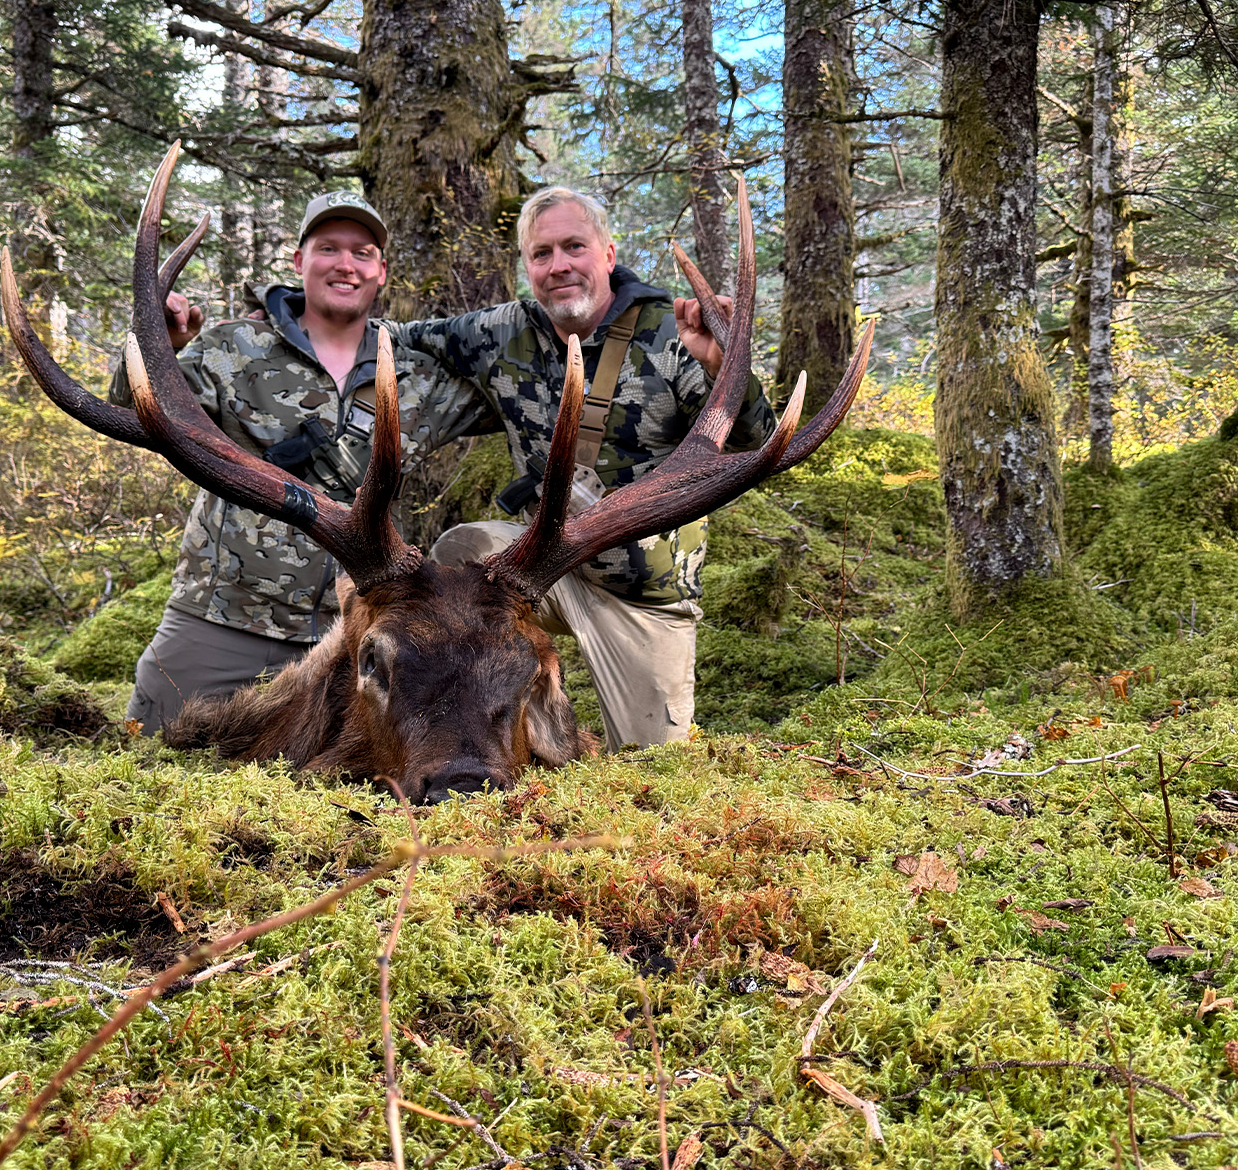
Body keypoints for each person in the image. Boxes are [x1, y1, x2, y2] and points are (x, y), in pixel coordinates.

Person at [400, 186, 776, 751]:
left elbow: (757, 446)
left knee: (654, 771)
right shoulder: (500, 332)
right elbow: (391, 336)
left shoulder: (672, 335)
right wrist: (288, 313)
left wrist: (726, 367)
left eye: (574, 247)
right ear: (527, 265)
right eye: (541, 254)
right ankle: (489, 716)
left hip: (641, 591)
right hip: (544, 567)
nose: (558, 266)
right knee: (459, 555)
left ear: (607, 253)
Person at [110, 192, 495, 733]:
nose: (346, 264)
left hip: (353, 641)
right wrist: (158, 347)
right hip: (223, 620)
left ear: (381, 271)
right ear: (298, 260)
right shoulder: (233, 347)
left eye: (362, 253)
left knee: (348, 802)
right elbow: (135, 412)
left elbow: (514, 401)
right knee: (147, 769)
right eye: (328, 248)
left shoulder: (417, 377)